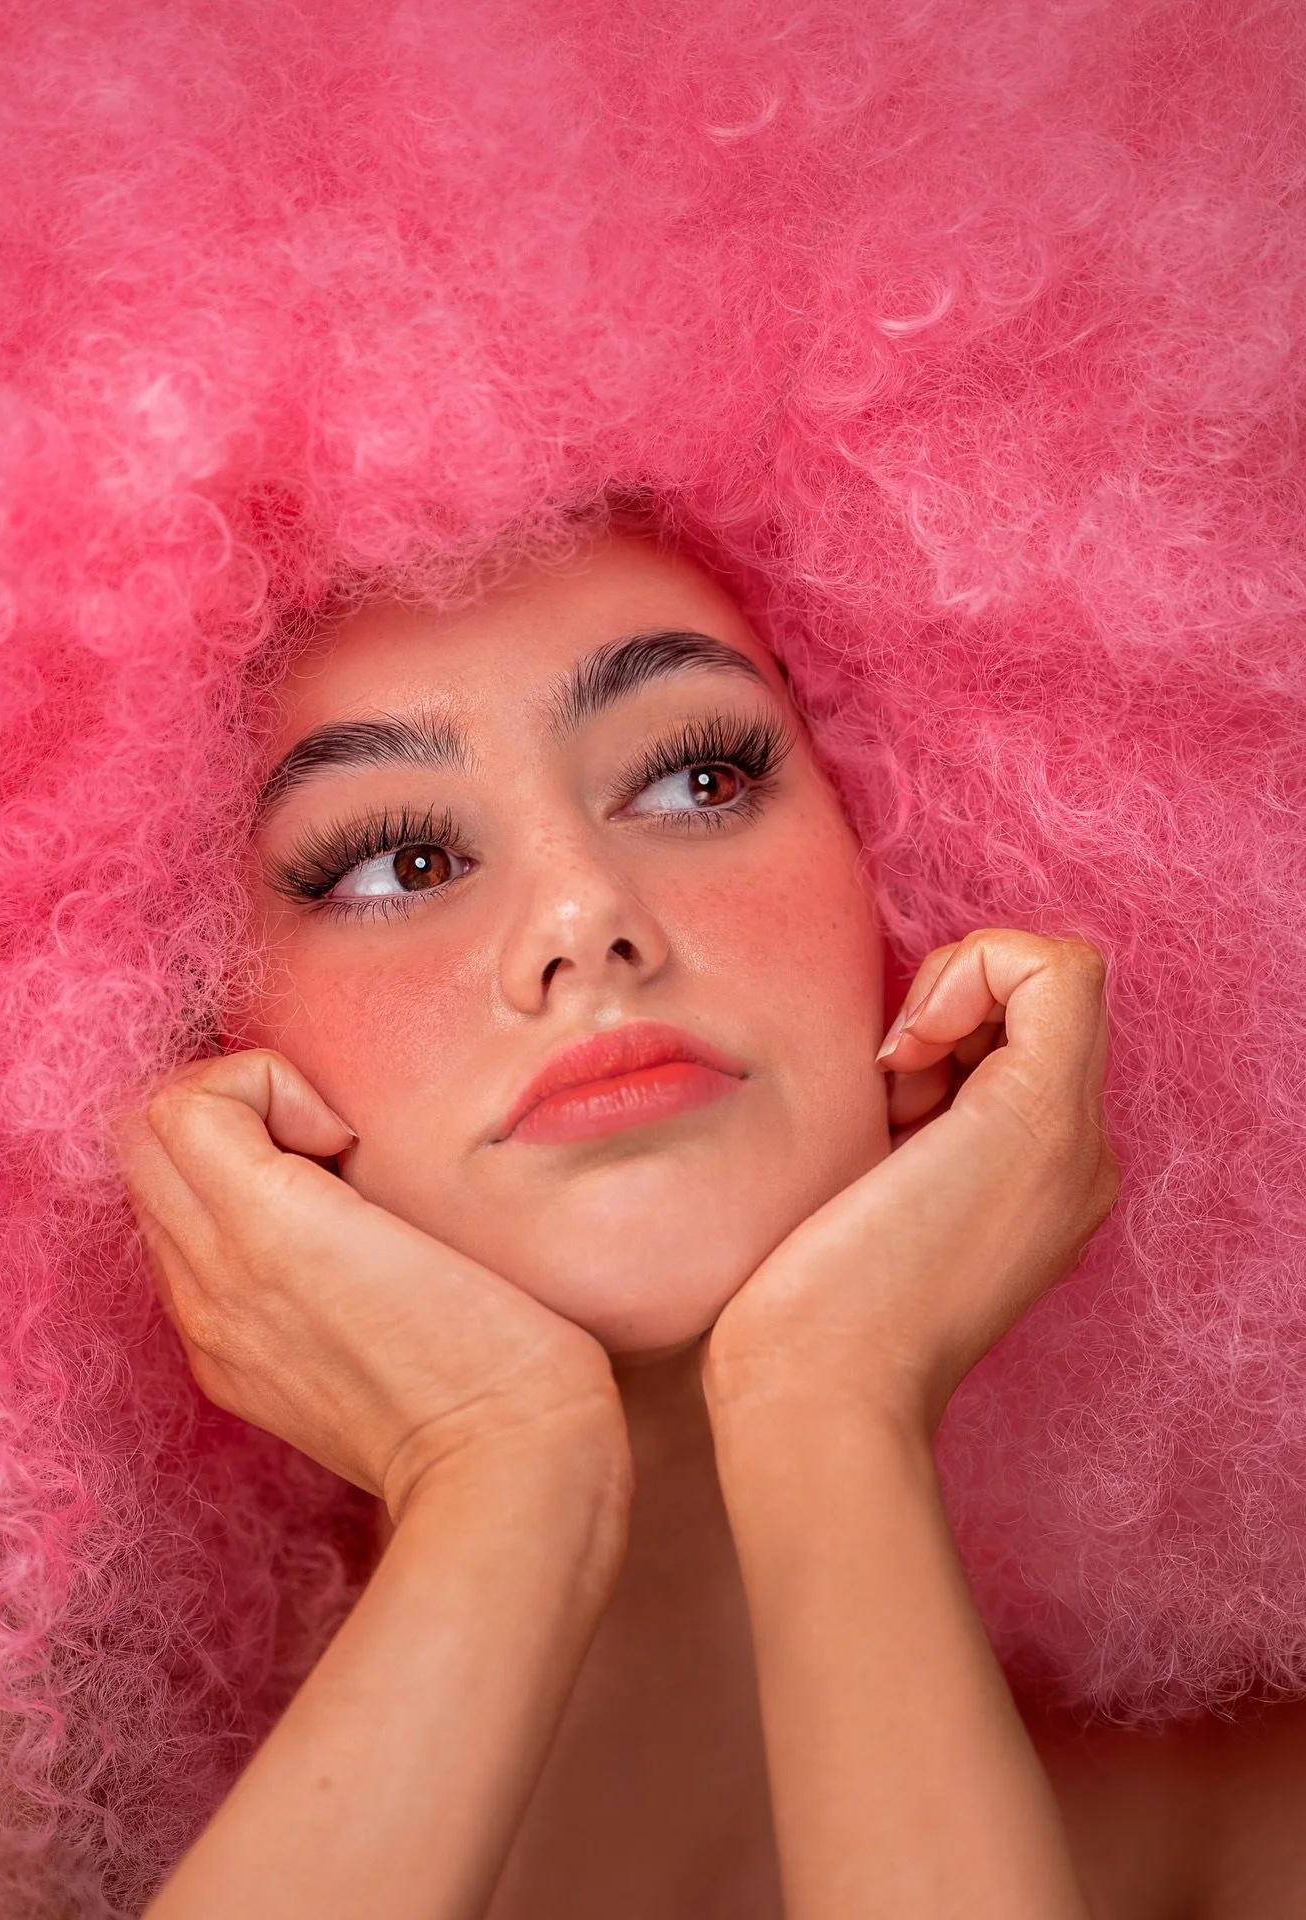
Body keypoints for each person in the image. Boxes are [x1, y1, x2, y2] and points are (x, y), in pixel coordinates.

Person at [120, 529, 1301, 1919]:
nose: (586, 914)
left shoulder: (1248, 1842)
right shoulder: (23, 1864)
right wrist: (493, 1462)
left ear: (905, 888)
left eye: (700, 778)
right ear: (192, 1052)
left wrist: (831, 1395)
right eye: (403, 861)